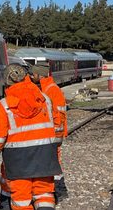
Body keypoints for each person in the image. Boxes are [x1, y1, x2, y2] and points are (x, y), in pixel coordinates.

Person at [0, 64, 60, 210]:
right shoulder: (44, 99)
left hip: (18, 161)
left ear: (7, 82)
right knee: (44, 195)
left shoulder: (4, 105)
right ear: (26, 77)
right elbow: (57, 125)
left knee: (22, 200)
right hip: (45, 156)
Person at [28, 64, 69, 201]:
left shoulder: (51, 90)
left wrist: (56, 135)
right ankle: (54, 191)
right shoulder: (47, 88)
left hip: (53, 135)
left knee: (53, 162)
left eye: (33, 75)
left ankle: (60, 190)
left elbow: (58, 115)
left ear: (39, 76)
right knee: (50, 162)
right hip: (49, 134)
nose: (31, 77)